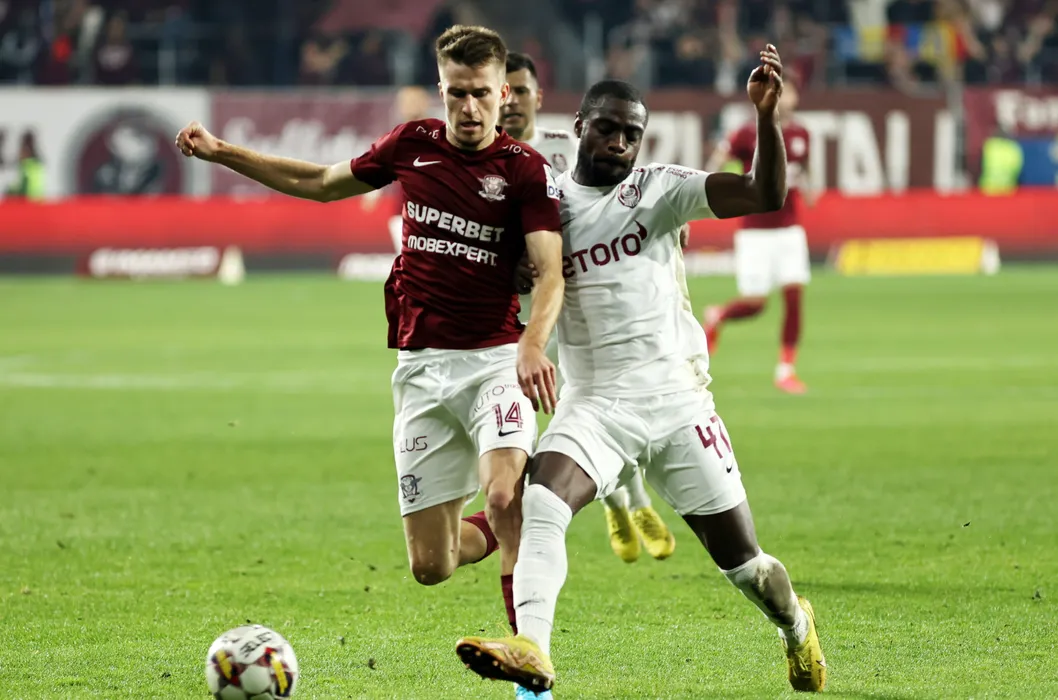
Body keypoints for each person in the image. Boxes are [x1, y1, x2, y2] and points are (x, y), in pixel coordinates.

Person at [175, 22, 565, 652]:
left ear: (502, 93)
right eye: (457, 93)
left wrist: (532, 344)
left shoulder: (525, 171)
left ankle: (529, 661)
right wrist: (223, 152)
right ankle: (528, 500)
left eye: (481, 94)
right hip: (422, 370)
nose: (469, 108)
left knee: (501, 493)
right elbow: (321, 183)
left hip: (495, 360)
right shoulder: (413, 144)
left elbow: (550, 272)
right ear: (441, 89)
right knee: (432, 565)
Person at [456, 46, 827, 695]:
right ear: (580, 126)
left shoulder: (660, 189)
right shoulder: (545, 209)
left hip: (678, 403)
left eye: (632, 133)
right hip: (595, 406)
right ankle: (532, 648)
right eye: (608, 128)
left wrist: (765, 116)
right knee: (542, 500)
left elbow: (765, 193)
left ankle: (796, 625)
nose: (620, 143)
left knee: (746, 567)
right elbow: (504, 280)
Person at [503, 50, 677, 565]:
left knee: (596, 405)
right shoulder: (485, 159)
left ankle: (633, 502)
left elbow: (621, 191)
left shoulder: (565, 145)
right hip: (523, 308)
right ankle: (620, 501)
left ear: (538, 97)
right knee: (575, 414)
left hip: (577, 297)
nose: (511, 101)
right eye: (503, 91)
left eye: (520, 90)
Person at [701, 73, 815, 394]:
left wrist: (810, 189)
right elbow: (717, 162)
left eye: (790, 92)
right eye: (781, 91)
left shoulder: (801, 133)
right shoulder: (747, 133)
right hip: (754, 232)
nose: (787, 98)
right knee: (755, 304)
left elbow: (804, 168)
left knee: (794, 297)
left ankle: (786, 369)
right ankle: (717, 315)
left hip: (790, 229)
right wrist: (717, 189)